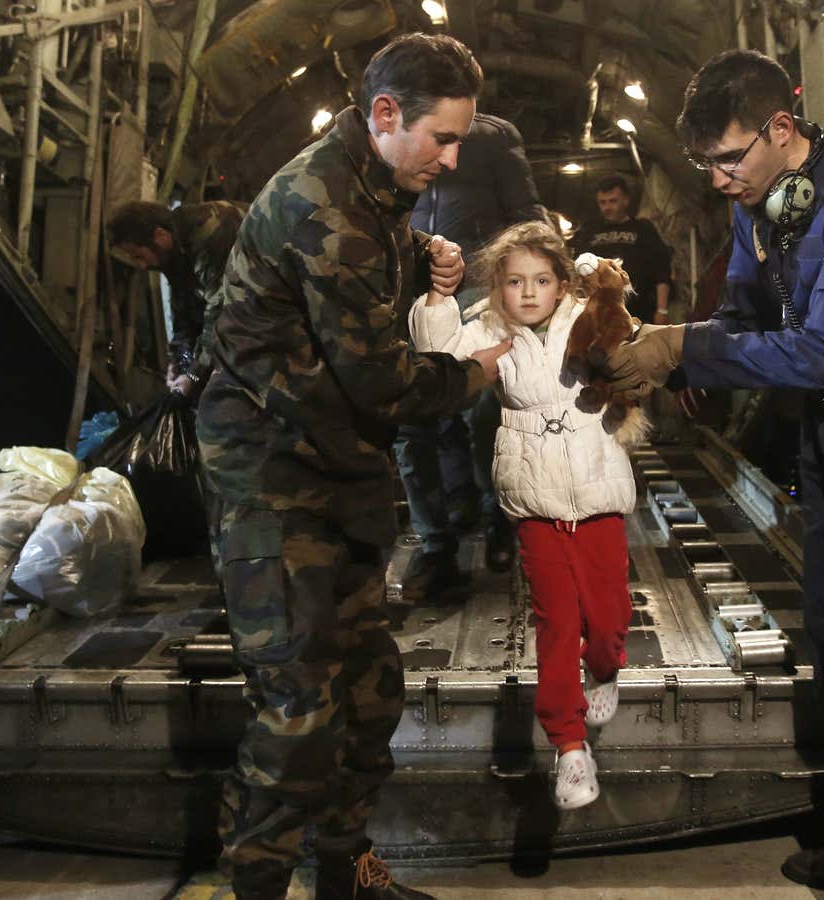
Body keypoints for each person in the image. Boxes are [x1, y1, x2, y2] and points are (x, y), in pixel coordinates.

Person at [599, 49, 824, 899]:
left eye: (732, 158)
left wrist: (682, 348)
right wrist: (695, 363)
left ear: (781, 126)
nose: (722, 178)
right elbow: (745, 312)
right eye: (706, 165)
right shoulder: (762, 202)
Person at [195, 33, 510, 900]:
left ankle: (347, 872)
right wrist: (477, 370)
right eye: (442, 139)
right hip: (273, 480)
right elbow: (382, 380)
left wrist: (421, 259)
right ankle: (253, 886)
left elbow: (356, 293)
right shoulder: (323, 206)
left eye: (460, 141)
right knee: (297, 712)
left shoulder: (372, 190)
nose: (449, 160)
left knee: (370, 697)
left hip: (337, 473)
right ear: (383, 115)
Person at [410, 221, 641, 811]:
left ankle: (607, 668)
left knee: (610, 615)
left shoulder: (578, 318)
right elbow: (438, 356)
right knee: (557, 622)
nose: (529, 293)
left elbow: (625, 338)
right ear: (498, 287)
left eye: (542, 280)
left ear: (562, 284)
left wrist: (603, 284)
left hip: (597, 489)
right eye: (515, 281)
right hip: (534, 498)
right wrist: (439, 297)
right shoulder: (489, 326)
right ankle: (568, 745)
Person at [399, 111, 550, 589]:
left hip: (477, 289)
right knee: (412, 416)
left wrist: (533, 284)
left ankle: (496, 519)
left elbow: (527, 217)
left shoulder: (493, 136)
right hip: (408, 290)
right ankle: (435, 543)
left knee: (483, 410)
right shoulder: (398, 132)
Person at [106, 198, 246, 396]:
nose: (142, 266)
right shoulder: (171, 251)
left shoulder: (210, 233)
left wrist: (194, 377)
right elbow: (184, 312)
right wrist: (177, 362)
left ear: (160, 236)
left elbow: (221, 316)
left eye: (139, 256)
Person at [575, 174, 674, 324]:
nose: (607, 207)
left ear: (626, 200)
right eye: (602, 202)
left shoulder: (643, 229)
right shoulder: (589, 232)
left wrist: (662, 310)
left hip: (640, 311)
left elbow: (661, 271)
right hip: (600, 314)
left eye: (613, 201)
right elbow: (578, 274)